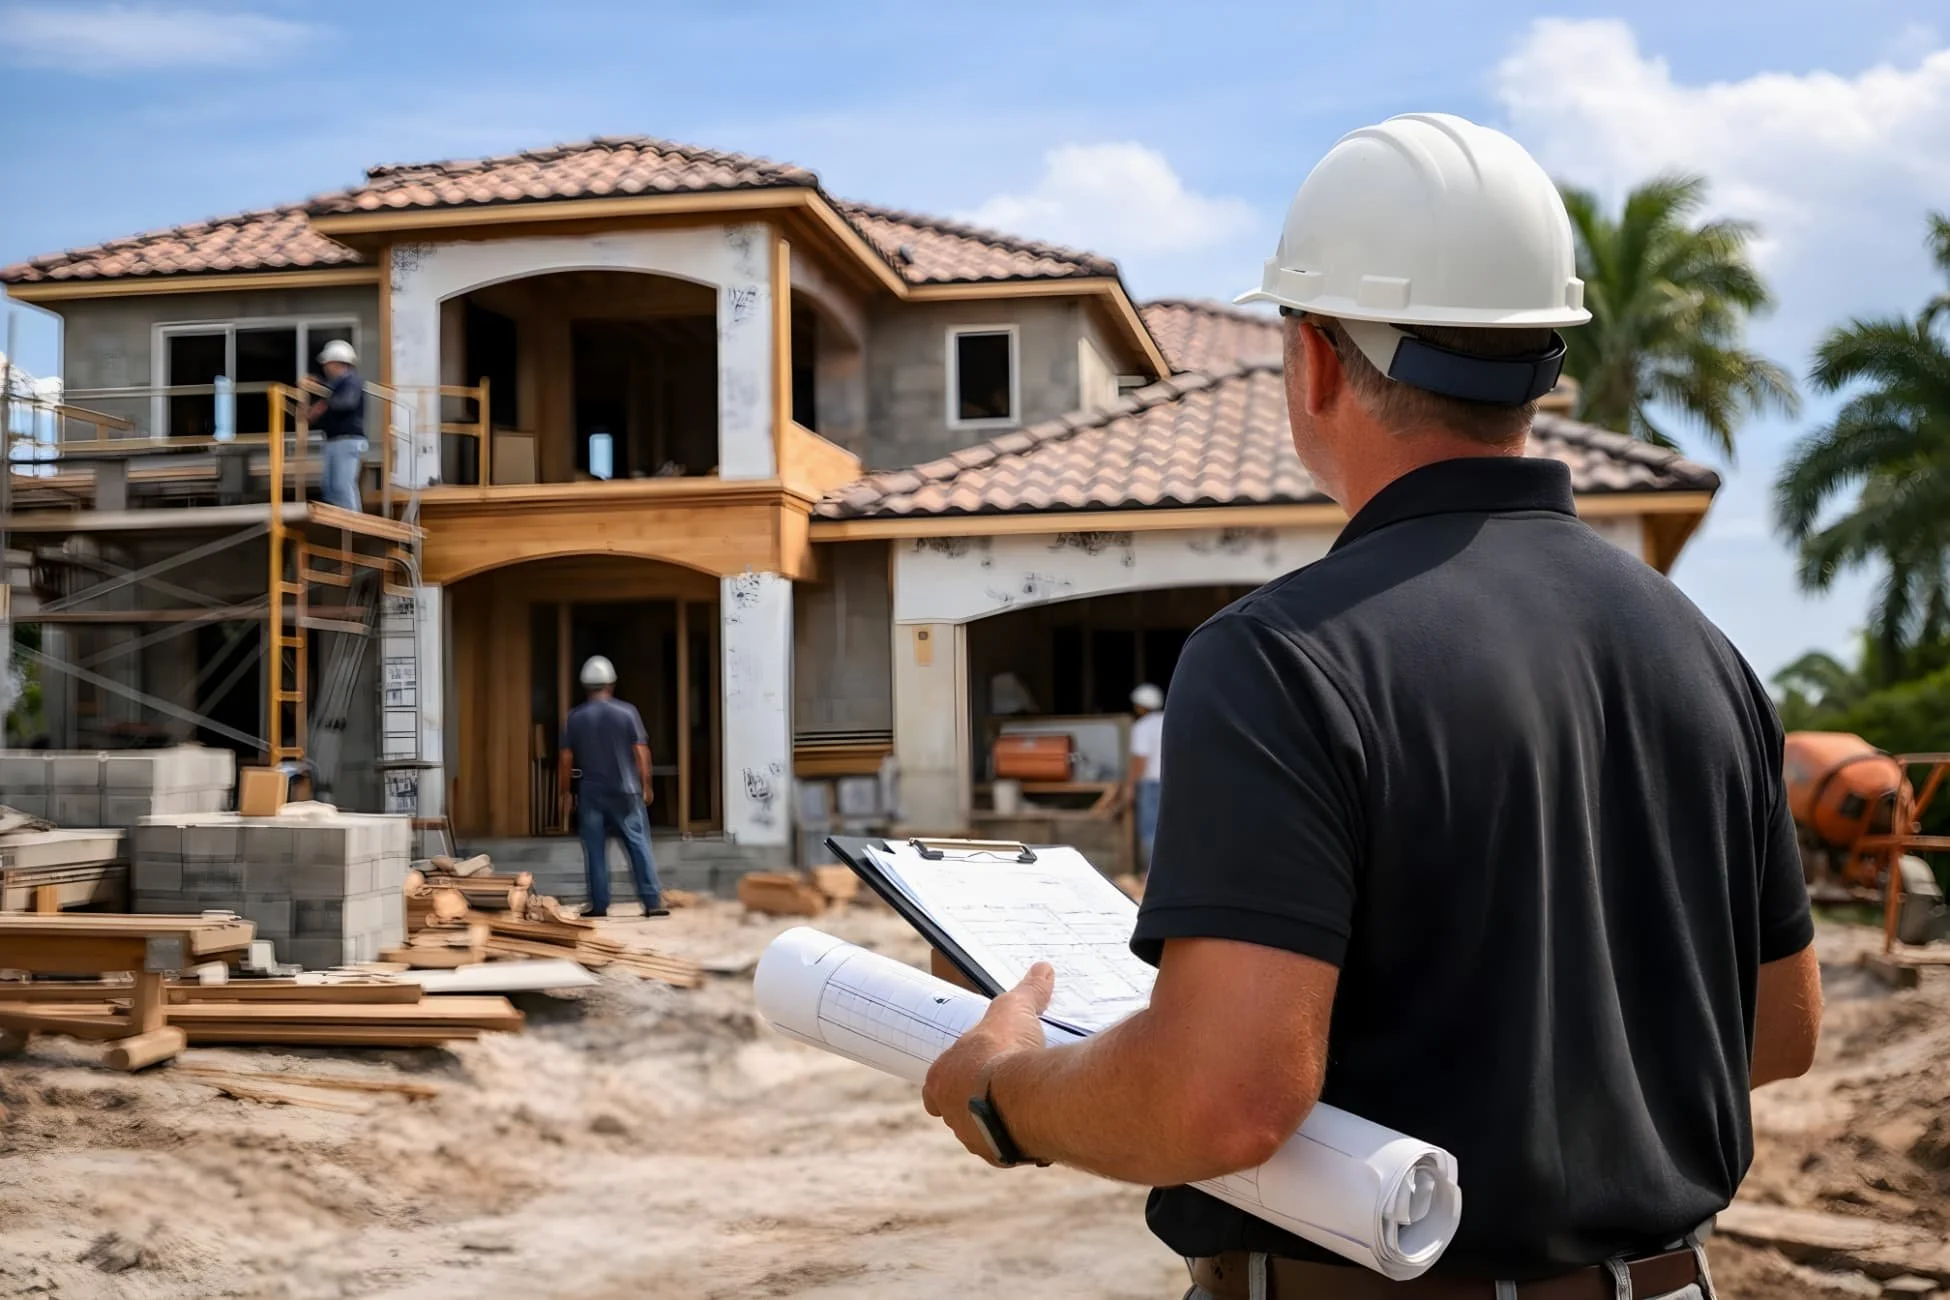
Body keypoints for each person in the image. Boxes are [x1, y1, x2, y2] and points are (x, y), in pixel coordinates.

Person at [918, 112, 1821, 1300]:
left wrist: (1006, 1088)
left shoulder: (1281, 658)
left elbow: (1222, 1099)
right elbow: (1778, 1031)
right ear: (1546, 360)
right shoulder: (1705, 655)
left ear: (1315, 360)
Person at [558, 655, 667, 919]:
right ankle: (652, 902)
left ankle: (599, 904)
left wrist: (566, 793)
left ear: (585, 686)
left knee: (595, 849)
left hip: (592, 793)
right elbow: (641, 752)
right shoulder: (627, 713)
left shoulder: (574, 718)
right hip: (626, 791)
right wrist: (646, 785)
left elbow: (565, 759)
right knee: (638, 844)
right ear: (611, 683)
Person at [308, 339, 367, 512]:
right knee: (330, 488)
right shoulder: (337, 384)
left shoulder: (351, 381)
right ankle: (337, 523)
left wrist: (323, 405)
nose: (325, 368)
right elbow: (332, 396)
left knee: (342, 486)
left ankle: (353, 524)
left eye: (327, 364)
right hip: (334, 440)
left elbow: (346, 402)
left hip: (347, 440)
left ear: (336, 363)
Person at [1125, 683, 1166, 874]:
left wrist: (1130, 786)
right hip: (1172, 782)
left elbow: (1140, 760)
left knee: (1150, 830)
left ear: (1141, 706)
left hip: (1151, 785)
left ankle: (1151, 874)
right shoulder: (1169, 720)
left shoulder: (1142, 727)